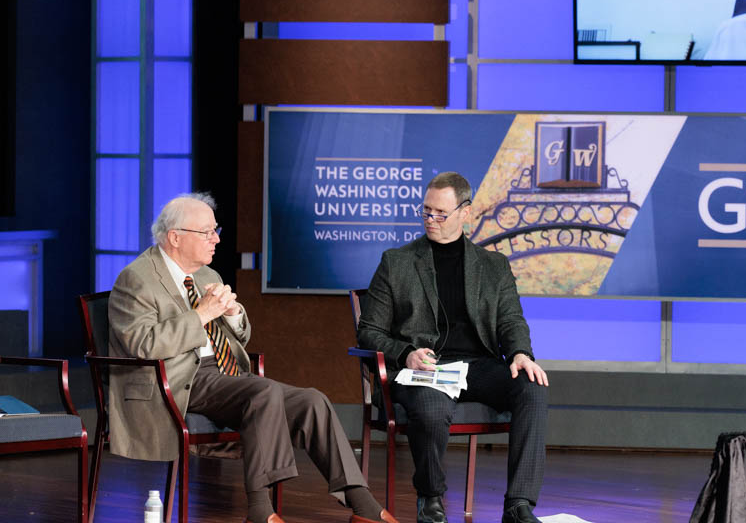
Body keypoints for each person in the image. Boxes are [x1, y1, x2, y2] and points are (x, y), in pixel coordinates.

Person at [108, 193, 397, 523]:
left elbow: (239, 337)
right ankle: (260, 510)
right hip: (175, 380)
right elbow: (142, 346)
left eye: (215, 230)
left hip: (225, 374)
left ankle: (362, 506)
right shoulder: (136, 279)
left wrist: (231, 314)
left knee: (313, 401)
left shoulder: (207, 275)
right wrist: (200, 315)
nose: (216, 239)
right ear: (175, 237)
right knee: (263, 391)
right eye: (207, 232)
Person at [357, 172, 549, 523]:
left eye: (440, 214)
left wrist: (521, 353)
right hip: (425, 368)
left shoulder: (493, 266)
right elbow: (368, 332)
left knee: (531, 388)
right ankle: (430, 498)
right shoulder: (396, 262)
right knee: (430, 407)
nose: (431, 220)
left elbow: (511, 320)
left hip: (477, 366)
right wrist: (406, 354)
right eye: (426, 211)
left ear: (466, 212)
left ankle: (518, 505)